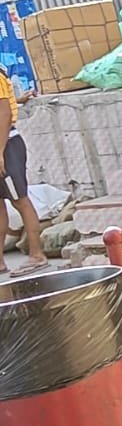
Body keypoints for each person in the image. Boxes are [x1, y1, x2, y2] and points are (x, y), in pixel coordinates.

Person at [0, 76, 46, 278]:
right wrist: (17, 99)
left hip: (7, 146)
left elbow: (4, 113)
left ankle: (37, 255)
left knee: (19, 200)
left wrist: (0, 152)